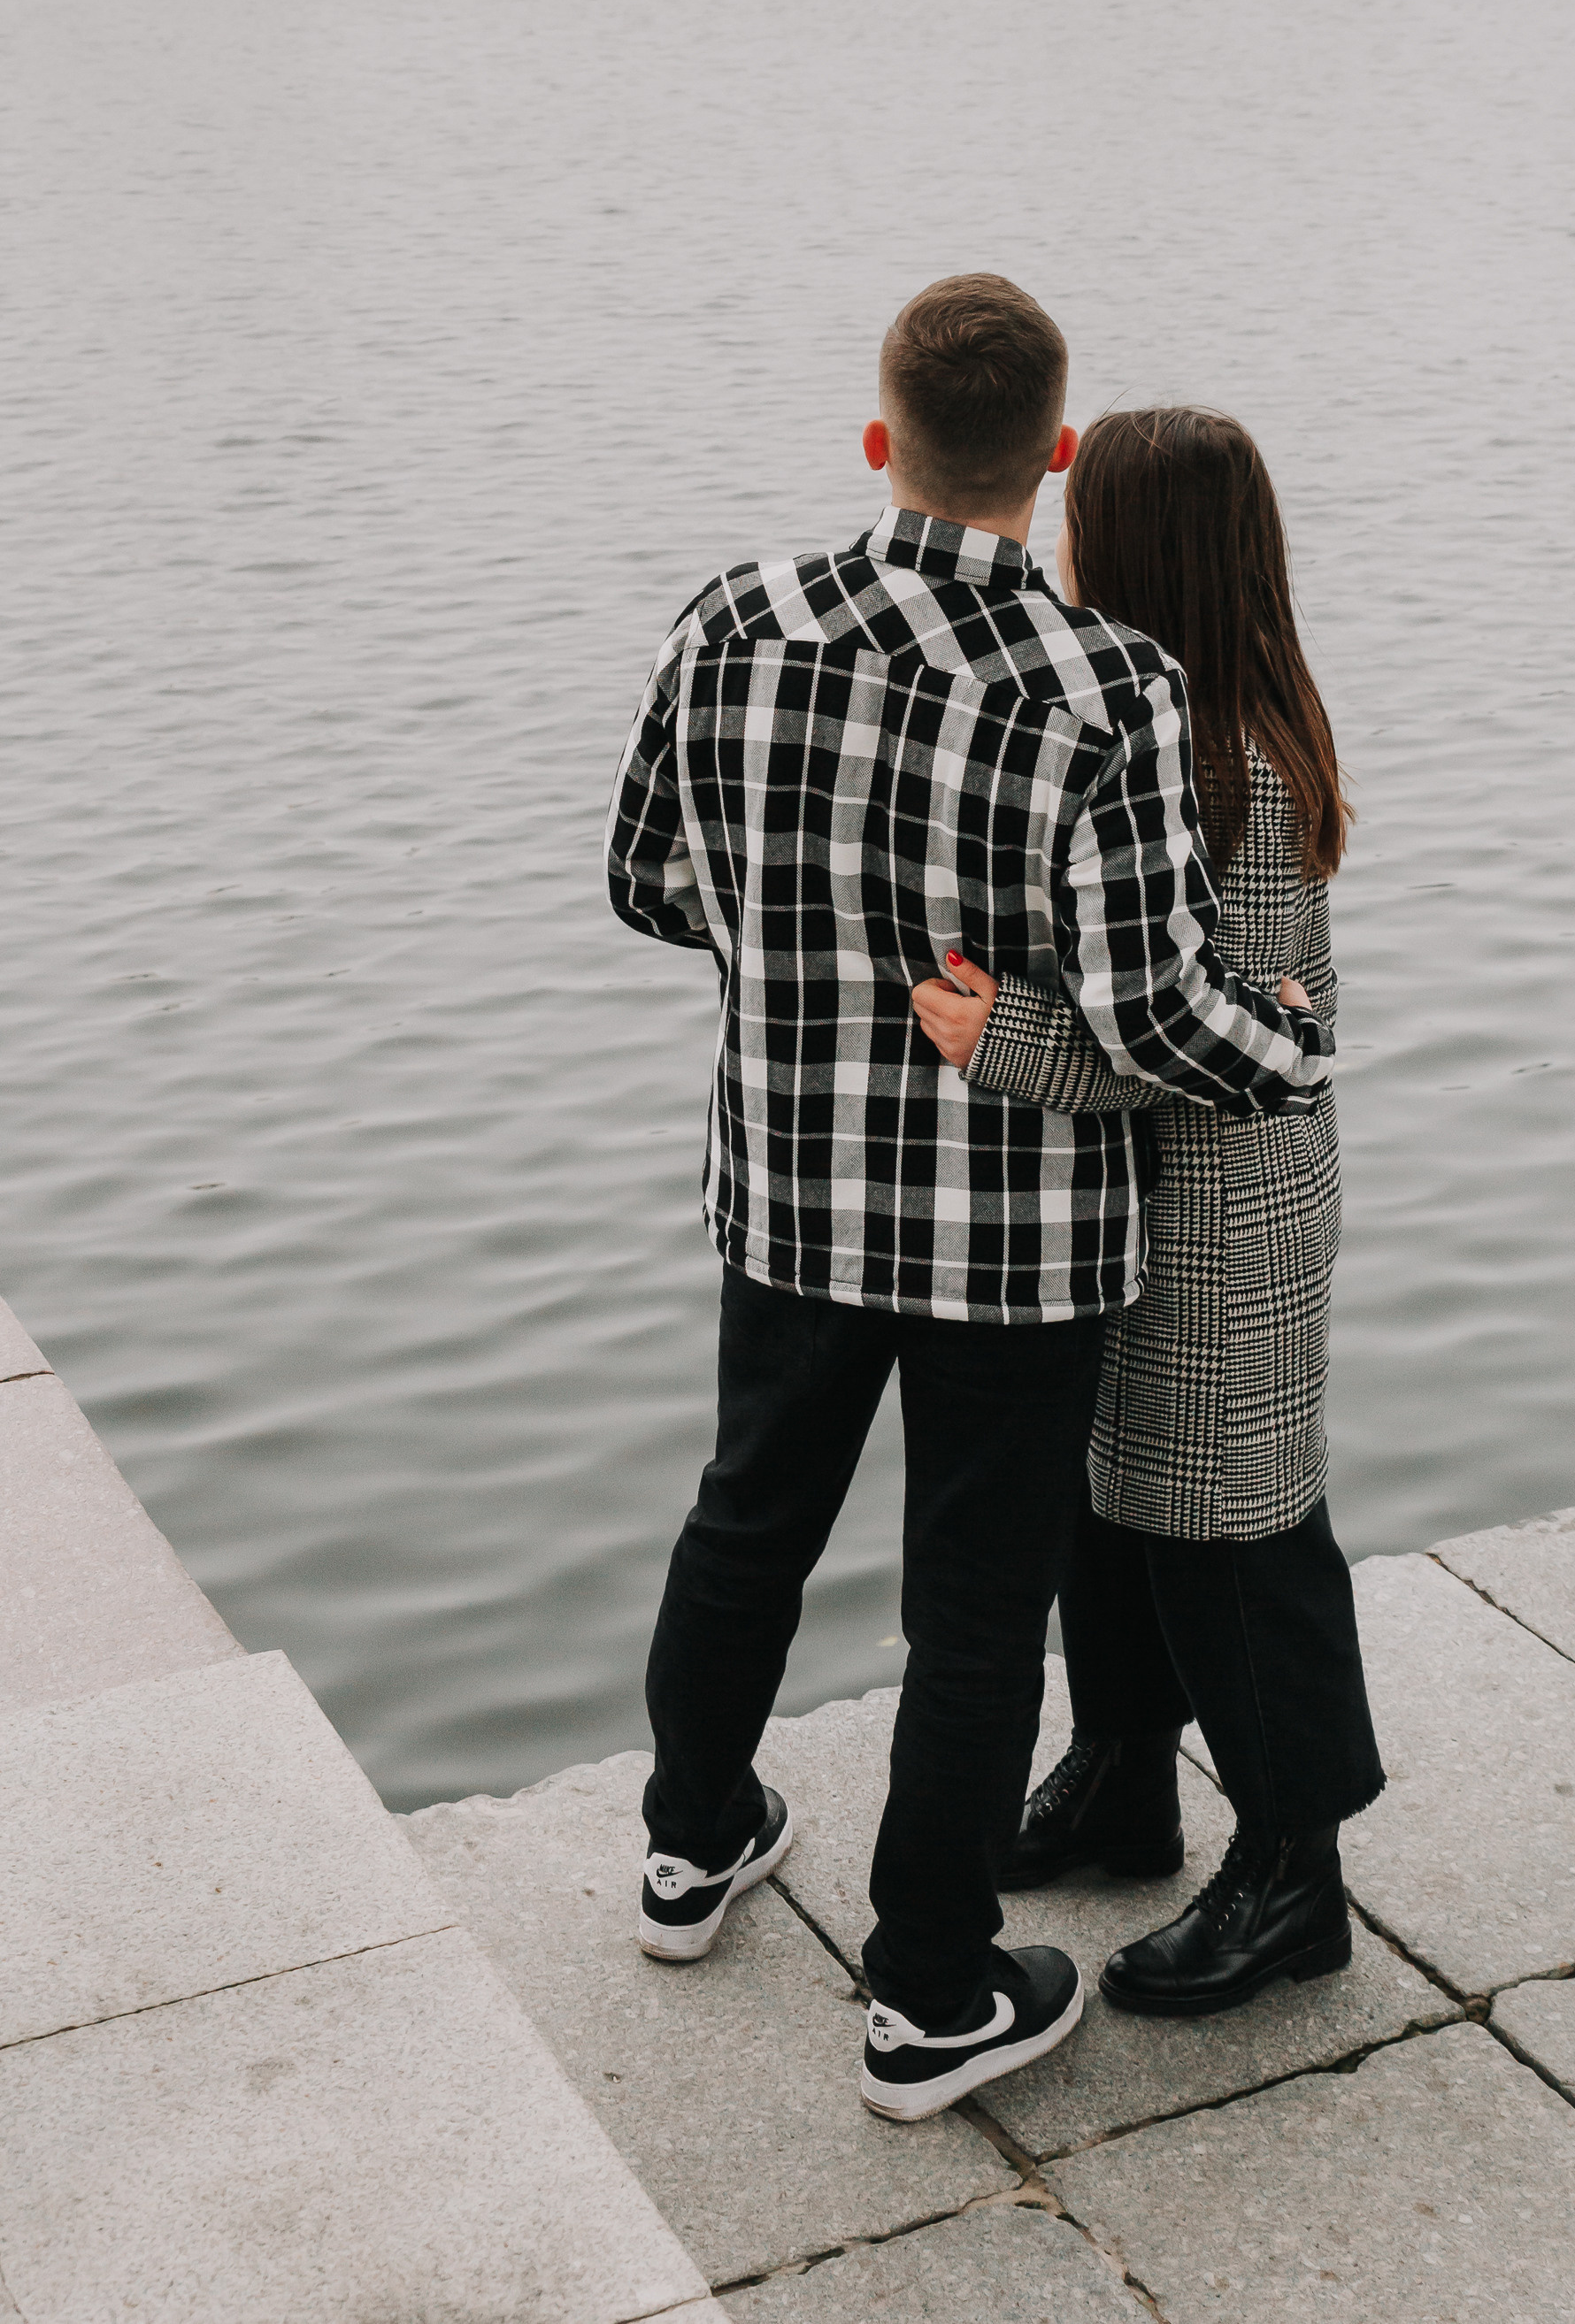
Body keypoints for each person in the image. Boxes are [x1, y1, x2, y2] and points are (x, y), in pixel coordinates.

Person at [607, 284, 1335, 2120]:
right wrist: (1292, 1051)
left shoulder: (731, 617)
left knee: (743, 1519)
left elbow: (642, 879)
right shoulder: (1109, 687)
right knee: (971, 1610)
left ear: (880, 433)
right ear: (1055, 453)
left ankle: (693, 1846)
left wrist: (797, 955)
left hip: (784, 1188)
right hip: (1014, 1239)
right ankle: (926, 1988)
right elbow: (1152, 1006)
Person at [911, 405, 1384, 2022]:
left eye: (1081, 514)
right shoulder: (1164, 714)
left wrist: (1003, 1039)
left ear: (1134, 545)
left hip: (1222, 1222)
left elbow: (1210, 1052)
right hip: (1136, 1213)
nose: (1055, 533)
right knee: (1112, 1519)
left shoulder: (1227, 760)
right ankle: (1122, 1781)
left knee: (1240, 1546)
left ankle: (1293, 1874)